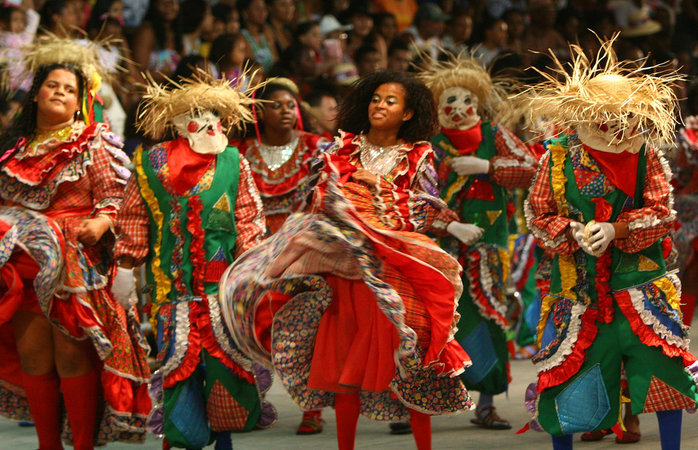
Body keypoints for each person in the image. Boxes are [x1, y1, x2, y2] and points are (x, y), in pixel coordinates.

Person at [220, 71, 480, 450]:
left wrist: (382, 196)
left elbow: (421, 211)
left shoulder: (418, 155)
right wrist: (346, 206)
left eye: (391, 101)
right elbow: (319, 201)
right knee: (342, 369)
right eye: (376, 99)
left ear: (408, 113)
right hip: (342, 272)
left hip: (390, 274)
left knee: (412, 365)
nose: (380, 106)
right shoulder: (340, 149)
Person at [522, 38, 698, 450]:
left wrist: (616, 230)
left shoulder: (645, 154)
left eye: (622, 114)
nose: (614, 125)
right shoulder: (559, 156)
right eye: (604, 114)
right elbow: (537, 214)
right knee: (566, 378)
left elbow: (661, 212)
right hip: (578, 290)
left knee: (664, 373)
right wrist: (574, 232)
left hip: (643, 287)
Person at [0, 36, 150, 449]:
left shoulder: (92, 141)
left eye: (70, 89)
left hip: (73, 269)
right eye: (53, 85)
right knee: (34, 358)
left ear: (80, 100)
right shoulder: (12, 152)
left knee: (70, 357)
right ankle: (48, 444)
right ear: (36, 95)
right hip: (22, 270)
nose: (61, 93)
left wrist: (101, 223)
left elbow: (115, 197)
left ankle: (82, 445)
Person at [114, 72, 276, 450]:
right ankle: (183, 439)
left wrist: (252, 270)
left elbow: (249, 220)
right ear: (175, 123)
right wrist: (125, 266)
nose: (207, 121)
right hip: (172, 291)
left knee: (226, 366)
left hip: (223, 291)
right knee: (178, 367)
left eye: (213, 113)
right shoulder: (149, 164)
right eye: (197, 113)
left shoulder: (235, 162)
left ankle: (224, 441)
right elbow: (134, 219)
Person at [419, 55, 538, 430]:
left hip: (490, 247)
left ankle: (486, 402)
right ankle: (421, 401)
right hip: (439, 247)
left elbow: (531, 168)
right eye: (448, 101)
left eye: (464, 99)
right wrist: (447, 226)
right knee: (432, 320)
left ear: (479, 104)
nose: (457, 108)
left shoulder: (494, 136)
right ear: (436, 108)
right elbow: (416, 195)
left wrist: (487, 167)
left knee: (490, 317)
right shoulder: (429, 144)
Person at [234, 79, 329, 236]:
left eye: (291, 106)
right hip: (252, 237)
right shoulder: (240, 150)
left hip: (303, 238)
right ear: (260, 112)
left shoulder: (316, 147)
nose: (286, 111)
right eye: (277, 106)